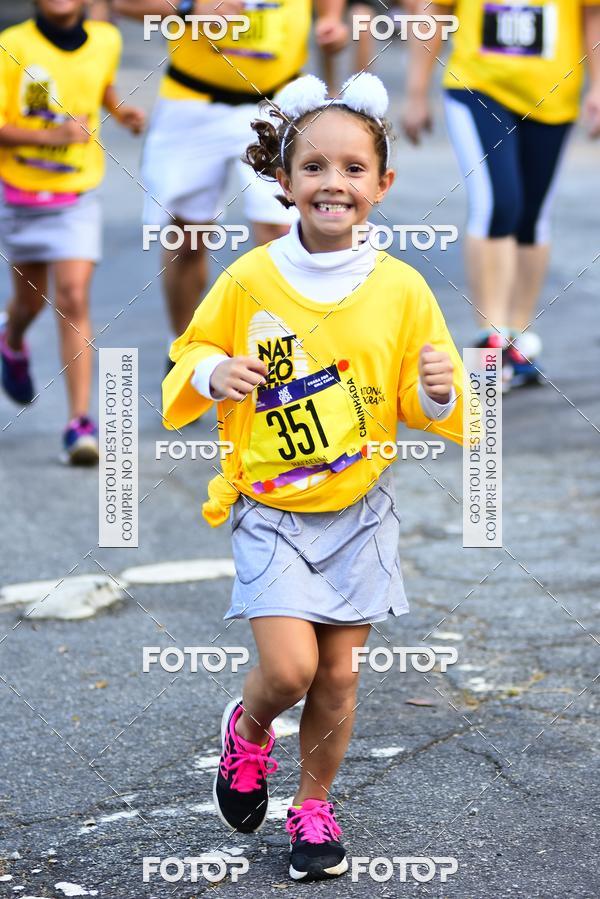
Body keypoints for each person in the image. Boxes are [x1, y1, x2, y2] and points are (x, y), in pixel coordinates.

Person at [162, 72, 466, 881]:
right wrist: (211, 371)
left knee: (339, 672)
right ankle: (250, 729)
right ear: (285, 180)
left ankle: (313, 805)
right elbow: (187, 352)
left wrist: (438, 389)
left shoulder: (403, 287)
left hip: (360, 509)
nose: (335, 182)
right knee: (292, 667)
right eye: (316, 167)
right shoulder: (251, 277)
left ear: (383, 184)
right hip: (270, 506)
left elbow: (422, 397)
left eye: (354, 168)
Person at [114, 0, 348, 372]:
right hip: (193, 102)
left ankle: (280, 360)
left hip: (277, 100)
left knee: (281, 232)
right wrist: (188, 7)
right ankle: (187, 351)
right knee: (188, 238)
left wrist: (332, 20)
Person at [402, 0, 600, 390]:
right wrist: (416, 91)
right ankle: (489, 339)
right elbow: (432, 12)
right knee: (499, 205)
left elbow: (593, 13)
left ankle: (517, 339)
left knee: (531, 216)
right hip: (478, 86)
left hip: (553, 95)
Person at [0, 0, 145, 463]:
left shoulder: (107, 39)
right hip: (21, 194)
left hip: (77, 195)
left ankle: (79, 424)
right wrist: (52, 138)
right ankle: (12, 340)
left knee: (73, 296)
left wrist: (121, 113)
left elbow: (99, 86)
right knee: (28, 301)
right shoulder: (12, 45)